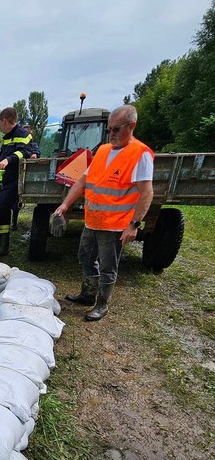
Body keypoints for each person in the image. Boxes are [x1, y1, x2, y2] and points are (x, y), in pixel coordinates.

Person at [53, 105, 154, 321]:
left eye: (116, 129)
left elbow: (146, 193)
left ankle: (102, 304)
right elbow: (83, 182)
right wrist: (65, 205)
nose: (111, 134)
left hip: (114, 224)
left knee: (108, 266)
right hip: (93, 220)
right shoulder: (103, 150)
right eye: (109, 130)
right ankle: (88, 294)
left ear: (131, 126)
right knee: (85, 256)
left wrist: (134, 224)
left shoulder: (140, 154)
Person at [0, 108, 34, 257]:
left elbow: (25, 152)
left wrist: (8, 160)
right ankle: (4, 248)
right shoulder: (8, 137)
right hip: (3, 182)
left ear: (4, 120)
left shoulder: (23, 135)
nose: (0, 126)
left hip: (13, 183)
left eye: (0, 123)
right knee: (3, 216)